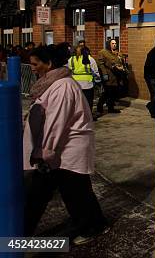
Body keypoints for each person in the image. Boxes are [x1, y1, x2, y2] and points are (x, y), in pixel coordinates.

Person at [23, 45, 108, 244]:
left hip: (64, 150)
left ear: (49, 63)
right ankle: (94, 224)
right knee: (75, 191)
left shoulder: (62, 86)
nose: (32, 68)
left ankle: (18, 235)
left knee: (62, 192)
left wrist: (43, 151)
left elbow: (55, 122)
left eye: (35, 64)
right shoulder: (54, 84)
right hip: (59, 151)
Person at [68, 43, 100, 120]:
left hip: (75, 85)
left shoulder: (71, 60)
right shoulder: (90, 59)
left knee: (77, 102)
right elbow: (95, 71)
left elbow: (68, 71)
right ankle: (88, 116)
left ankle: (78, 117)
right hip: (87, 84)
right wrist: (98, 81)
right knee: (88, 102)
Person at [97, 39, 127, 114]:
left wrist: (121, 62)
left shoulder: (117, 53)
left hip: (116, 76)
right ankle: (99, 107)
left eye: (115, 43)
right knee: (107, 92)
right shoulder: (103, 52)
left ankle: (111, 108)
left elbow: (120, 63)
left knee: (113, 92)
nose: (114, 45)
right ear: (109, 44)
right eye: (112, 43)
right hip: (108, 75)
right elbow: (101, 64)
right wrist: (104, 74)